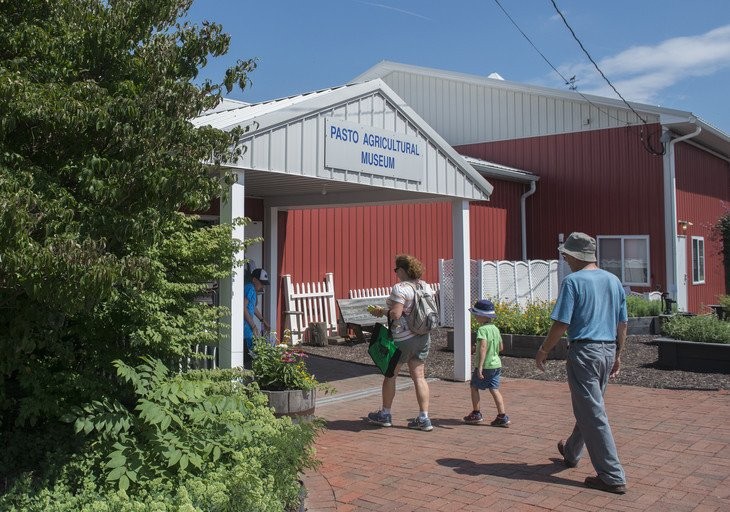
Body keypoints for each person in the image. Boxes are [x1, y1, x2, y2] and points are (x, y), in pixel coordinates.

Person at [535, 232, 628, 494]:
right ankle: (572, 452)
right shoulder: (613, 281)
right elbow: (622, 323)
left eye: (566, 253)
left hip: (584, 352)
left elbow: (562, 323)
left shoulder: (573, 282)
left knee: (593, 412)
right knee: (590, 406)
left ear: (576, 256)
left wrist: (543, 350)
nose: (564, 257)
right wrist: (618, 354)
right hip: (608, 349)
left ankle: (612, 476)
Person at [367, 254, 435, 432]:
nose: (395, 272)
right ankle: (424, 418)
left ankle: (385, 414)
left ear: (403, 270)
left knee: (391, 375)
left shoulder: (400, 288)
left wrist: (383, 312)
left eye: (396, 269)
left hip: (403, 339)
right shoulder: (425, 285)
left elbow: (396, 314)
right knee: (419, 377)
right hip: (423, 337)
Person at [463, 299, 510, 427]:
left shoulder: (482, 330)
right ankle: (502, 416)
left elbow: (483, 346)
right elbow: (500, 347)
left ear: (482, 316)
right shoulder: (495, 329)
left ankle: (476, 413)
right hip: (496, 364)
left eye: (476, 315)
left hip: (485, 365)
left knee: (474, 386)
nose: (475, 317)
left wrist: (480, 366)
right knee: (494, 389)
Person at [244, 268, 271, 364]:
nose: (262, 286)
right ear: (254, 279)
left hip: (248, 328)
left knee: (253, 355)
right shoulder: (250, 288)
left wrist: (263, 321)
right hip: (245, 330)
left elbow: (253, 308)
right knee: (249, 357)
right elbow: (243, 307)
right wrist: (254, 326)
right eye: (261, 282)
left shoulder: (252, 289)